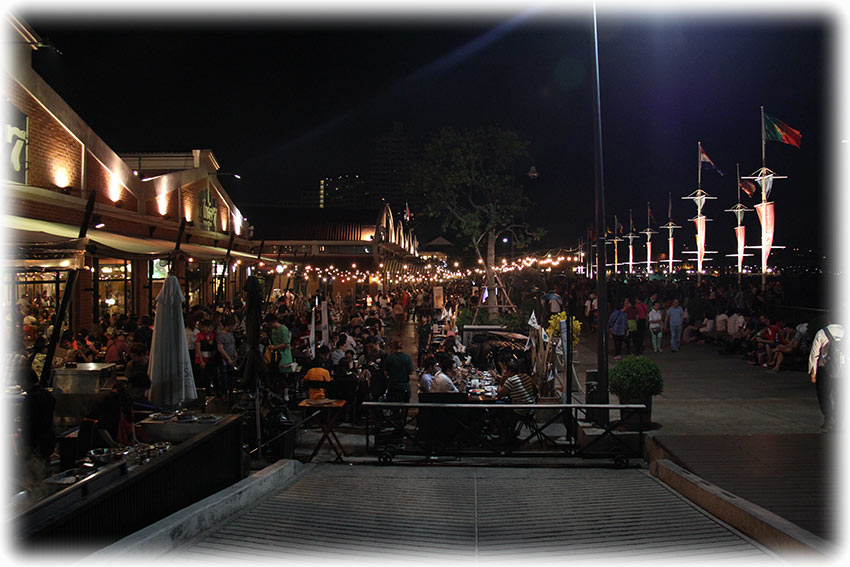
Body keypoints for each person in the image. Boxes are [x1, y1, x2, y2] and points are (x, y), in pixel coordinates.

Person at [85, 373, 151, 449]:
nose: (139, 395)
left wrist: (134, 440)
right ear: (130, 385)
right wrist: (113, 444)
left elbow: (130, 420)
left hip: (120, 443)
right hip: (104, 444)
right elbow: (101, 426)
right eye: (138, 391)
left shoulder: (128, 399)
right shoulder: (112, 399)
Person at [808, 320, 844, 431]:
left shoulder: (822, 333)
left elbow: (814, 354)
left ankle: (828, 418)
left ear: (828, 321)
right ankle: (840, 421)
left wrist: (812, 371)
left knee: (824, 395)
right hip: (844, 370)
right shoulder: (846, 332)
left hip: (825, 370)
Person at [385, 339, 413, 406]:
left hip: (393, 386)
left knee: (394, 408)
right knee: (405, 406)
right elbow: (411, 372)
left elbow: (386, 373)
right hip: (404, 386)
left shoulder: (389, 358)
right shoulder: (407, 358)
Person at [215, 315, 237, 398]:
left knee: (231, 376)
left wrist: (235, 352)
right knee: (224, 376)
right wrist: (227, 358)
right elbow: (220, 349)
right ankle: (224, 393)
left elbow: (233, 343)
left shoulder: (231, 334)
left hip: (232, 357)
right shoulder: (220, 335)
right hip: (224, 360)